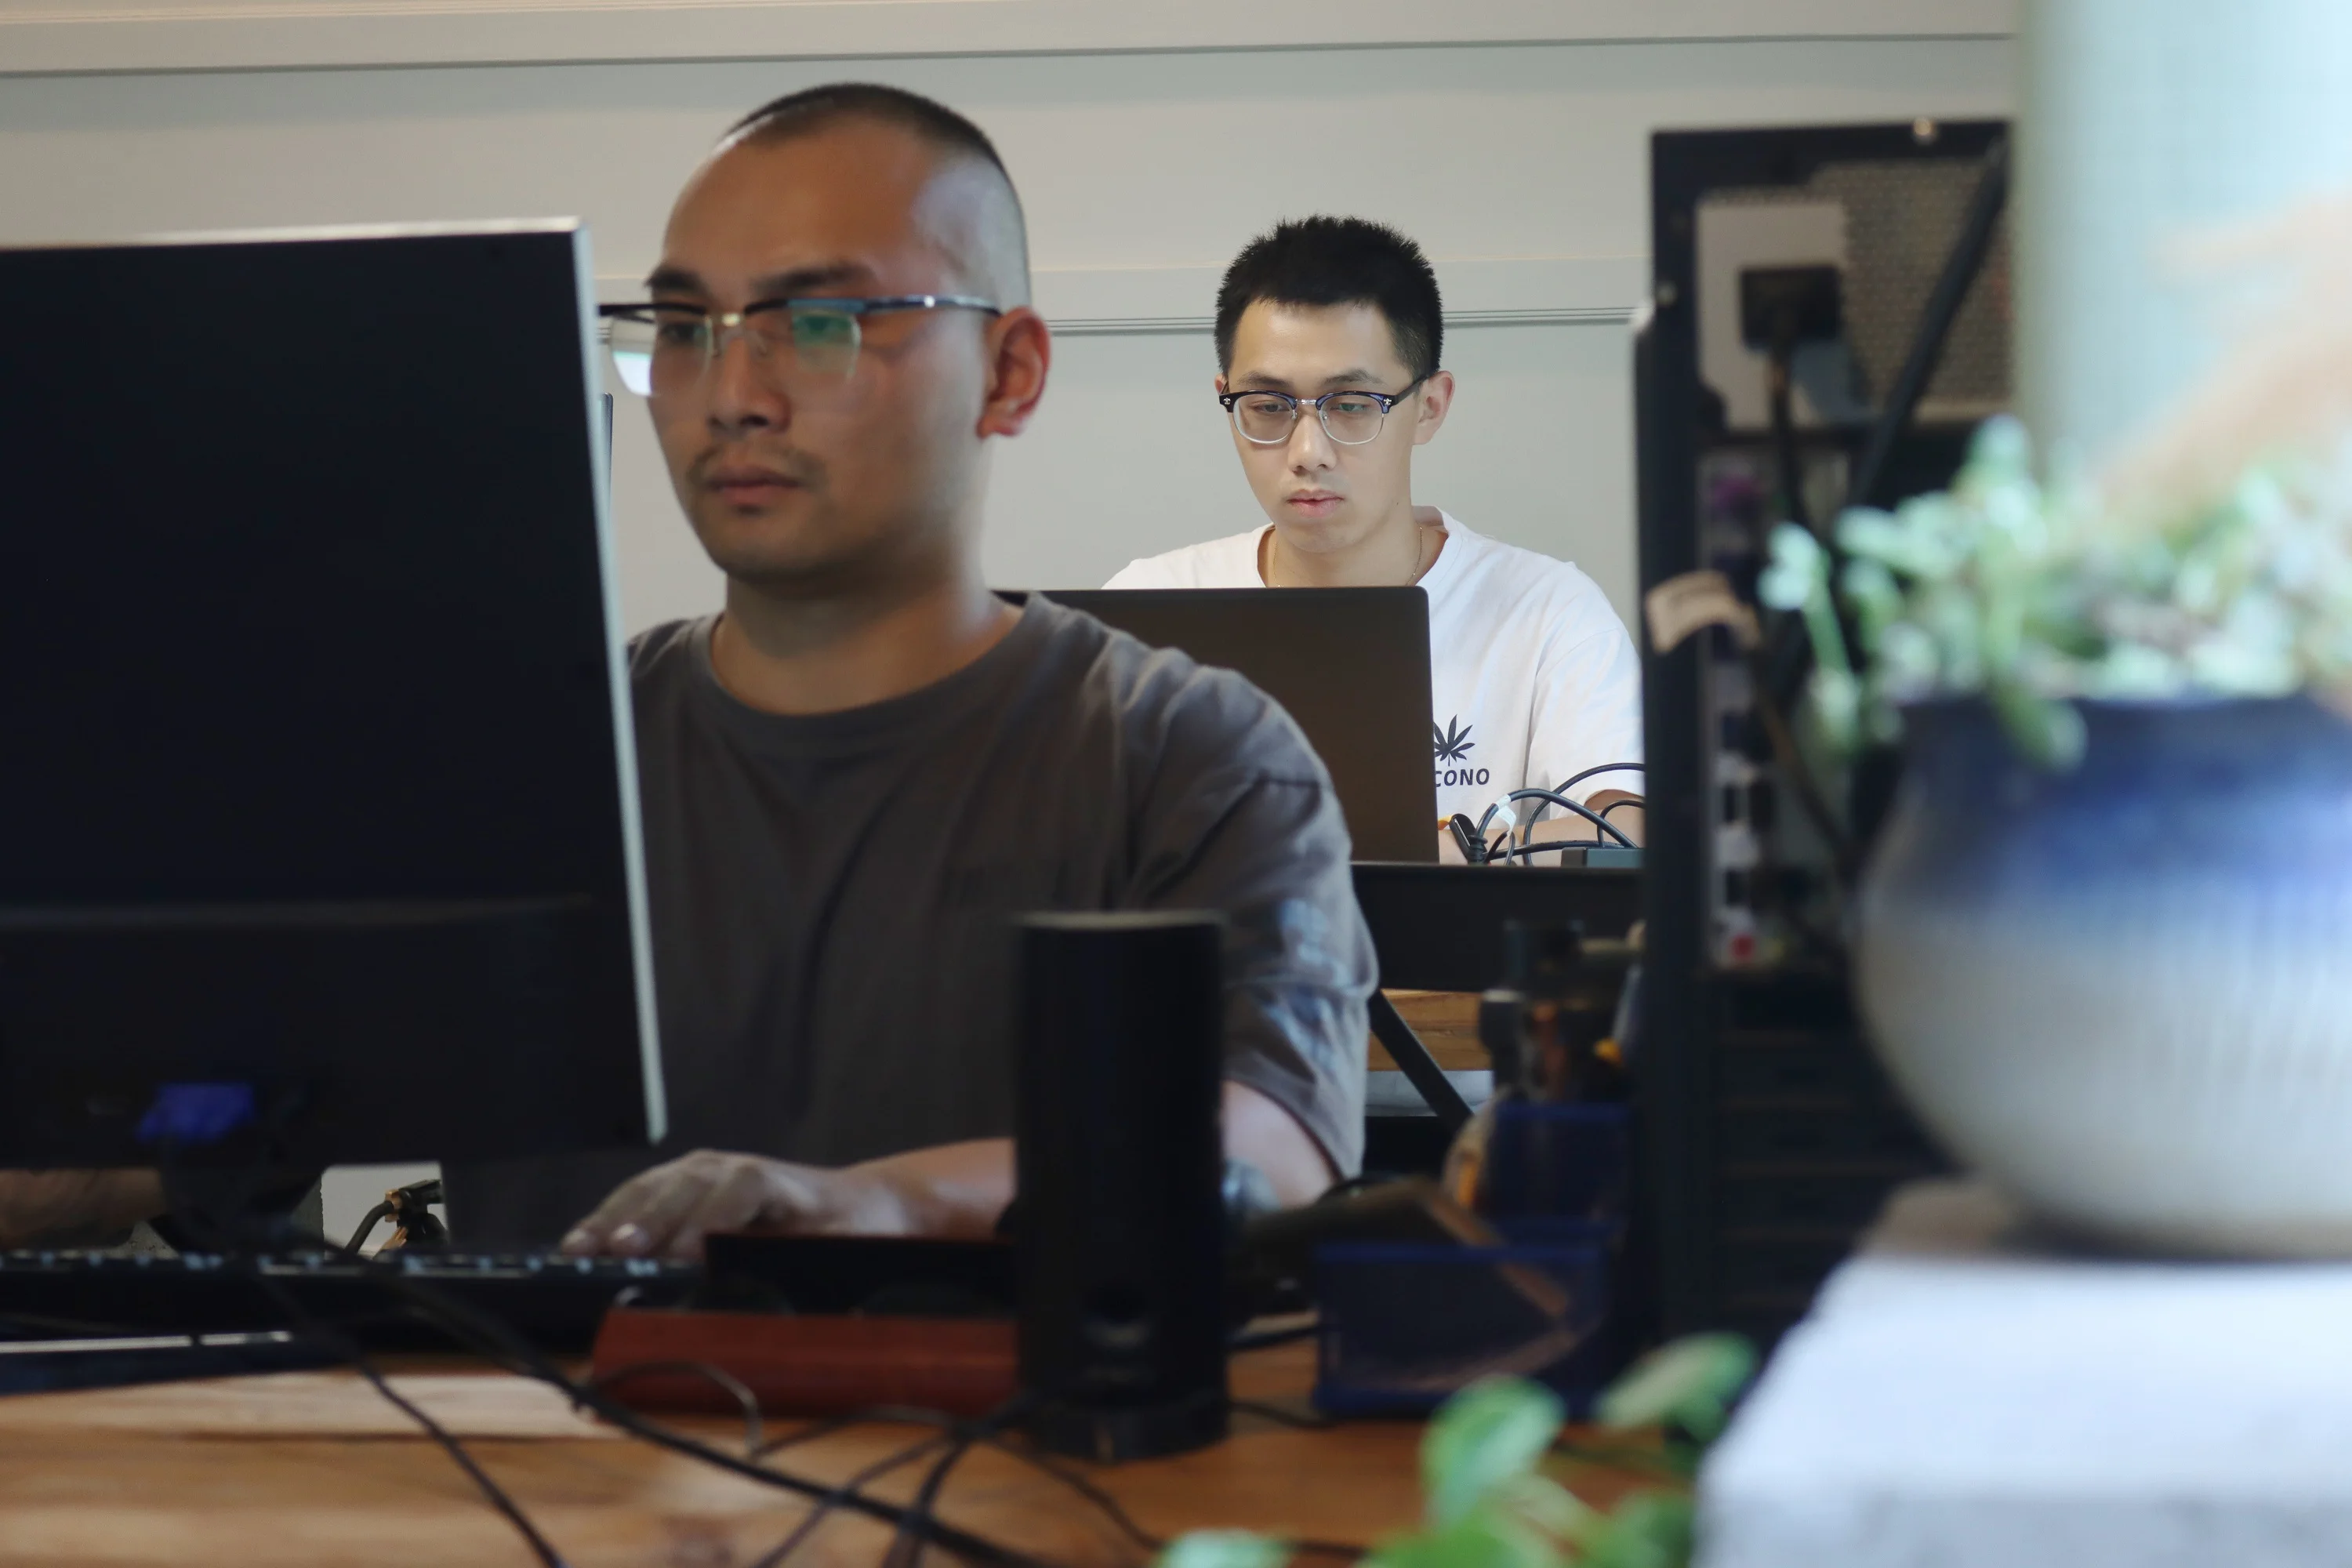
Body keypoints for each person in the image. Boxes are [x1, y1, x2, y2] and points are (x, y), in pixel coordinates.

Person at [0, 83, 1372, 1259]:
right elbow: (192, 1125)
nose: (732, 393)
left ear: (1009, 373)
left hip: (1022, 1462)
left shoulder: (1189, 759)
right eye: (681, 327)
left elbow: (1266, 1147)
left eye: (816, 323)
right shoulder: (513, 766)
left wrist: (868, 1205)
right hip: (550, 1466)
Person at [1104, 217, 1645, 858]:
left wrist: (1399, 859)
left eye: (1352, 404)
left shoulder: (1547, 612)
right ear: (1228, 401)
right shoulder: (1149, 608)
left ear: (1430, 406)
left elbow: (1628, 831)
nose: (1308, 452)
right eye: (1269, 407)